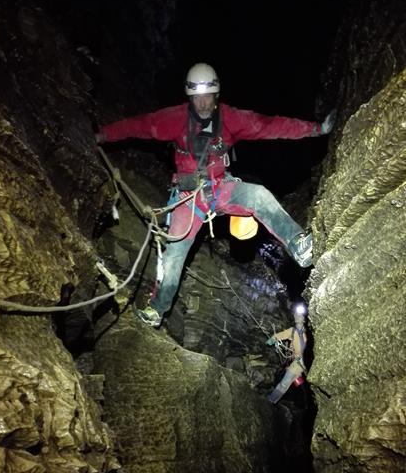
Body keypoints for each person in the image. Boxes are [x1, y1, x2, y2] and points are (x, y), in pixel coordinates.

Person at [96, 63, 335, 327]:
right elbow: (141, 125)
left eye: (207, 96)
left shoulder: (230, 119)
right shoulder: (175, 118)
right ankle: (158, 308)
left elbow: (270, 125)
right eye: (197, 97)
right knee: (174, 256)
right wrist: (104, 135)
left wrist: (316, 129)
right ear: (189, 97)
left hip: (221, 188)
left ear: (216, 95)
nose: (202, 103)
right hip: (189, 197)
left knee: (259, 196)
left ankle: (298, 244)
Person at [265, 303, 308, 403]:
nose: (297, 317)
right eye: (296, 315)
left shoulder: (308, 332)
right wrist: (273, 339)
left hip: (308, 363)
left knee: (304, 388)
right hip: (297, 363)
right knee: (284, 383)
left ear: (304, 319)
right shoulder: (292, 331)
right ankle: (271, 400)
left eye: (299, 315)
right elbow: (282, 335)